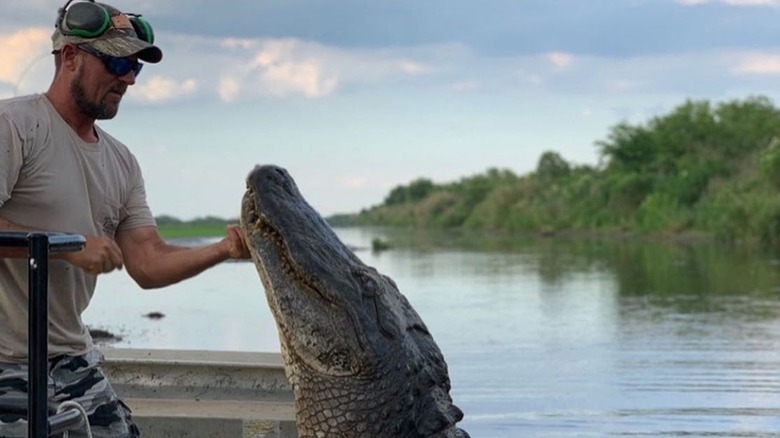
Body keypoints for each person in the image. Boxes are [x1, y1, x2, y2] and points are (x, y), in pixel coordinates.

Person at [0, 1, 251, 436]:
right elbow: (69, 247)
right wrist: (70, 247)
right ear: (71, 58)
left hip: (71, 357)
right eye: (117, 61)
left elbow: (148, 262)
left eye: (136, 66)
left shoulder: (121, 161)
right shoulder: (14, 125)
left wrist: (225, 249)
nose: (129, 78)